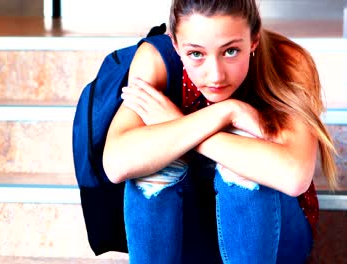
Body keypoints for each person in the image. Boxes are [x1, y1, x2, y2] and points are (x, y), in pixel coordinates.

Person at [102, 0, 338, 263]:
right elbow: (116, 163)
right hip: (188, 234)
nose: (215, 75)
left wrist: (181, 126)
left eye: (231, 51)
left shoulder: (288, 61)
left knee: (247, 164)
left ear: (254, 40)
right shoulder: (156, 59)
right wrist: (226, 113)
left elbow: (294, 176)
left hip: (273, 236)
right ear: (176, 45)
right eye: (196, 54)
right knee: (150, 169)